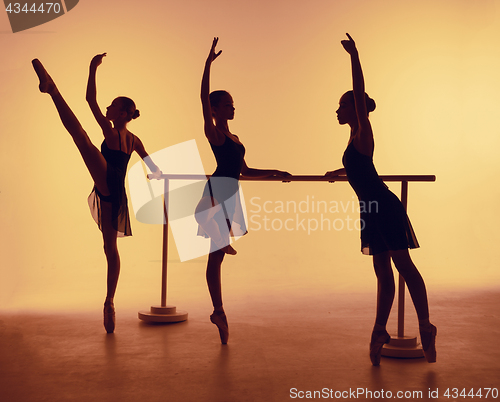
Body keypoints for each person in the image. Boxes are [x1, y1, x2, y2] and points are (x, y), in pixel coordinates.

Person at [325, 34, 437, 365]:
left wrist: (354, 56)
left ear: (354, 106)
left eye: (342, 105)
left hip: (383, 207)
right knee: (382, 271)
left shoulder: (363, 130)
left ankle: (426, 327)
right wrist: (339, 172)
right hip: (371, 209)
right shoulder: (354, 139)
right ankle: (379, 330)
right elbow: (362, 169)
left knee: (403, 267)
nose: (337, 109)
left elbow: (359, 92)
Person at [32, 55, 161, 333]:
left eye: (112, 106)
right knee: (109, 249)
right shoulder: (134, 140)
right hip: (114, 194)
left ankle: (53, 90)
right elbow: (152, 165)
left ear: (124, 113)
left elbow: (90, 100)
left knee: (81, 137)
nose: (107, 107)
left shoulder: (112, 132)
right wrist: (157, 176)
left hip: (110, 181)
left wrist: (92, 69)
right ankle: (109, 302)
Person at [195, 38, 290, 344]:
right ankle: (218, 238)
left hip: (230, 194)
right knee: (211, 237)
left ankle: (218, 312)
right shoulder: (214, 132)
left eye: (233, 104)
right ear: (214, 109)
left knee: (215, 259)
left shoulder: (234, 137)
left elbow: (245, 170)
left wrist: (276, 172)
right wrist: (208, 64)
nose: (233, 107)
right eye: (227, 104)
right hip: (217, 190)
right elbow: (200, 100)